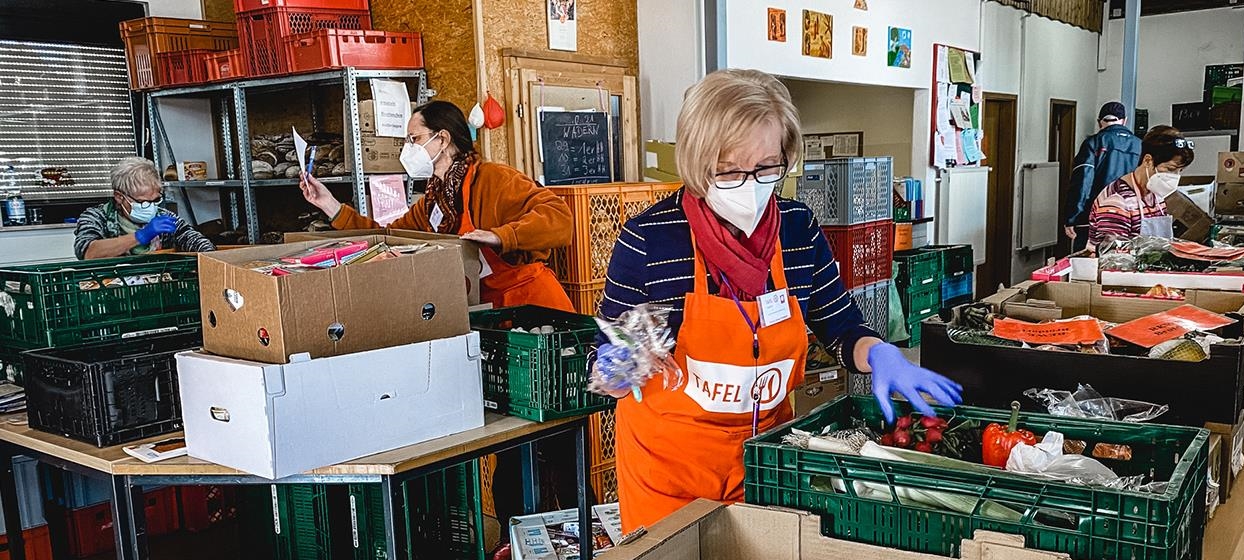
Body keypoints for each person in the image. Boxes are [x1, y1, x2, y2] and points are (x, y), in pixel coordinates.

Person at [599, 69, 962, 532]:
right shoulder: (651, 239)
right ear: (696, 161)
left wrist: (882, 354)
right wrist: (619, 365)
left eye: (768, 167)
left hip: (767, 463)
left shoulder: (796, 229)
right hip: (669, 476)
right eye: (729, 170)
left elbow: (841, 325)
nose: (751, 186)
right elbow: (610, 351)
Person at [299, 100, 574, 312]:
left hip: (533, 307)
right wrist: (331, 205)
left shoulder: (493, 179)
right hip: (485, 311)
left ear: (442, 139)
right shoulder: (433, 199)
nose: (408, 149)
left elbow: (559, 218)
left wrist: (501, 236)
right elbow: (389, 240)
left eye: (414, 139)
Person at [74, 157, 216, 259]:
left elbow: (194, 240)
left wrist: (210, 255)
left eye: (155, 200)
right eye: (142, 202)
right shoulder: (96, 217)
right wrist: (141, 236)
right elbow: (88, 252)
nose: (150, 207)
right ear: (119, 196)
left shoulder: (164, 218)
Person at [1087, 126, 1195, 250]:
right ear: (1148, 160)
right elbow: (1112, 259)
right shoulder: (1117, 203)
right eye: (1170, 169)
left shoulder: (1156, 195)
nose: (1176, 176)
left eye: (1180, 171)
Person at [1063, 102, 1143, 250]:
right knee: (1122, 263)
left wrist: (1073, 218)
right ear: (1124, 120)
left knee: (1088, 265)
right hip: (1130, 217)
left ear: (1100, 122)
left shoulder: (1093, 143)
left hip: (1094, 217)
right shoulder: (1140, 145)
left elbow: (1082, 182)